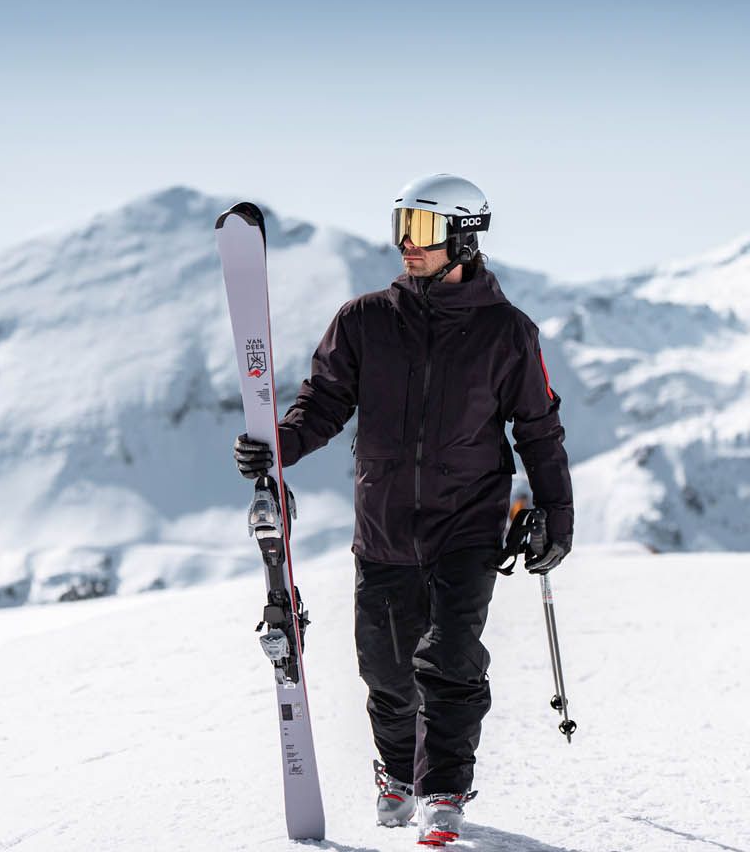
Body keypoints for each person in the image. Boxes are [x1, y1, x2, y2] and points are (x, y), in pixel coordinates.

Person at [233, 173, 573, 846]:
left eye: (421, 231)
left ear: (465, 239)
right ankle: (398, 773)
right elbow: (324, 401)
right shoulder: (365, 321)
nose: (406, 245)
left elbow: (538, 428)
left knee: (448, 658)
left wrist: (555, 519)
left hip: (468, 523)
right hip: (385, 522)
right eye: (401, 227)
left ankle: (443, 792)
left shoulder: (507, 333)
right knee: (385, 672)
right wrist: (280, 446)